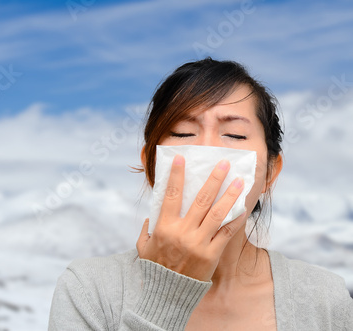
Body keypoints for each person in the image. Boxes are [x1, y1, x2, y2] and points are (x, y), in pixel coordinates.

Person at [48, 58, 353, 330]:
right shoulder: (88, 291)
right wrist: (167, 295)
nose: (207, 149)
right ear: (152, 166)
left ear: (270, 173)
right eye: (182, 132)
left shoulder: (325, 299)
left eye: (234, 134)